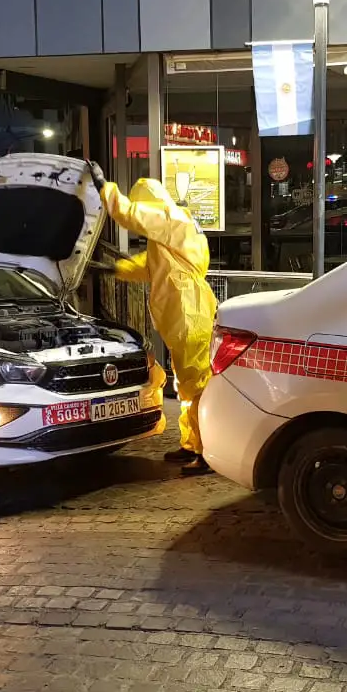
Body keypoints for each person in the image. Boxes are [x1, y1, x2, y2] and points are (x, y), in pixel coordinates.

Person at [91, 164, 218, 476]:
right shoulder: (172, 232)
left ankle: (207, 453)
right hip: (186, 312)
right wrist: (115, 269)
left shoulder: (170, 218)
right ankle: (192, 444)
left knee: (196, 386)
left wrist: (105, 187)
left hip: (188, 312)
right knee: (187, 385)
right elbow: (151, 266)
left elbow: (129, 213)